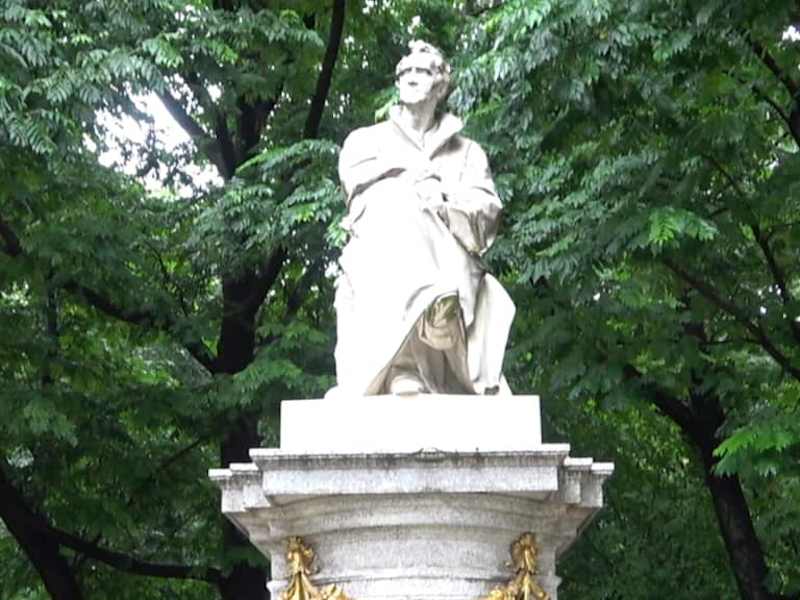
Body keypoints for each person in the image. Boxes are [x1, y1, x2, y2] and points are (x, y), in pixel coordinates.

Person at [329, 40, 515, 397]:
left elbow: (487, 215)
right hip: (384, 248)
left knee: (412, 211)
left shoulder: (468, 152)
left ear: (440, 86)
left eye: (423, 72)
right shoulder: (365, 141)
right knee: (394, 202)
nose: (411, 78)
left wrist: (442, 202)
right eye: (406, 72)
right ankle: (412, 349)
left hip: (450, 254)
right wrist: (411, 181)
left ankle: (429, 326)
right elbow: (357, 191)